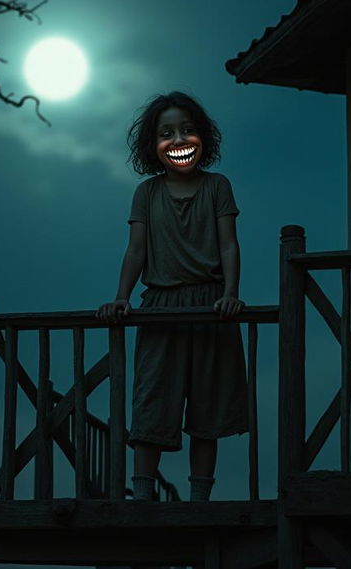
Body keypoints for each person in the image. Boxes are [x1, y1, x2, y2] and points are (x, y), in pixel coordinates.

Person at [97, 91, 248, 503]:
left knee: (208, 406)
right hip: (160, 308)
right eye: (167, 133)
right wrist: (121, 297)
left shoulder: (217, 186)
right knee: (152, 401)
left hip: (210, 306)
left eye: (188, 130)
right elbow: (136, 250)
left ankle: (201, 500)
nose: (179, 140)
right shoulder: (147, 194)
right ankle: (143, 495)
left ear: (203, 137)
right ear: (152, 144)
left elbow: (229, 245)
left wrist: (231, 295)